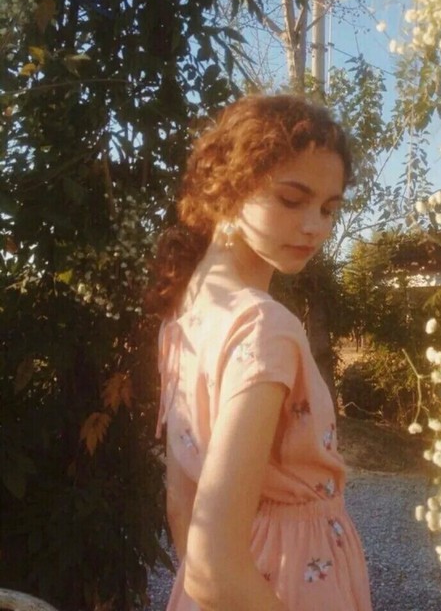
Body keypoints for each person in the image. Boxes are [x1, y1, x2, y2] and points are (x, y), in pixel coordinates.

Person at [146, 94, 373, 611]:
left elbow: (183, 504)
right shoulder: (263, 326)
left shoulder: (184, 316)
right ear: (226, 188)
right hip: (287, 588)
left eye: (329, 208)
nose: (316, 226)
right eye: (291, 199)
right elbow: (214, 570)